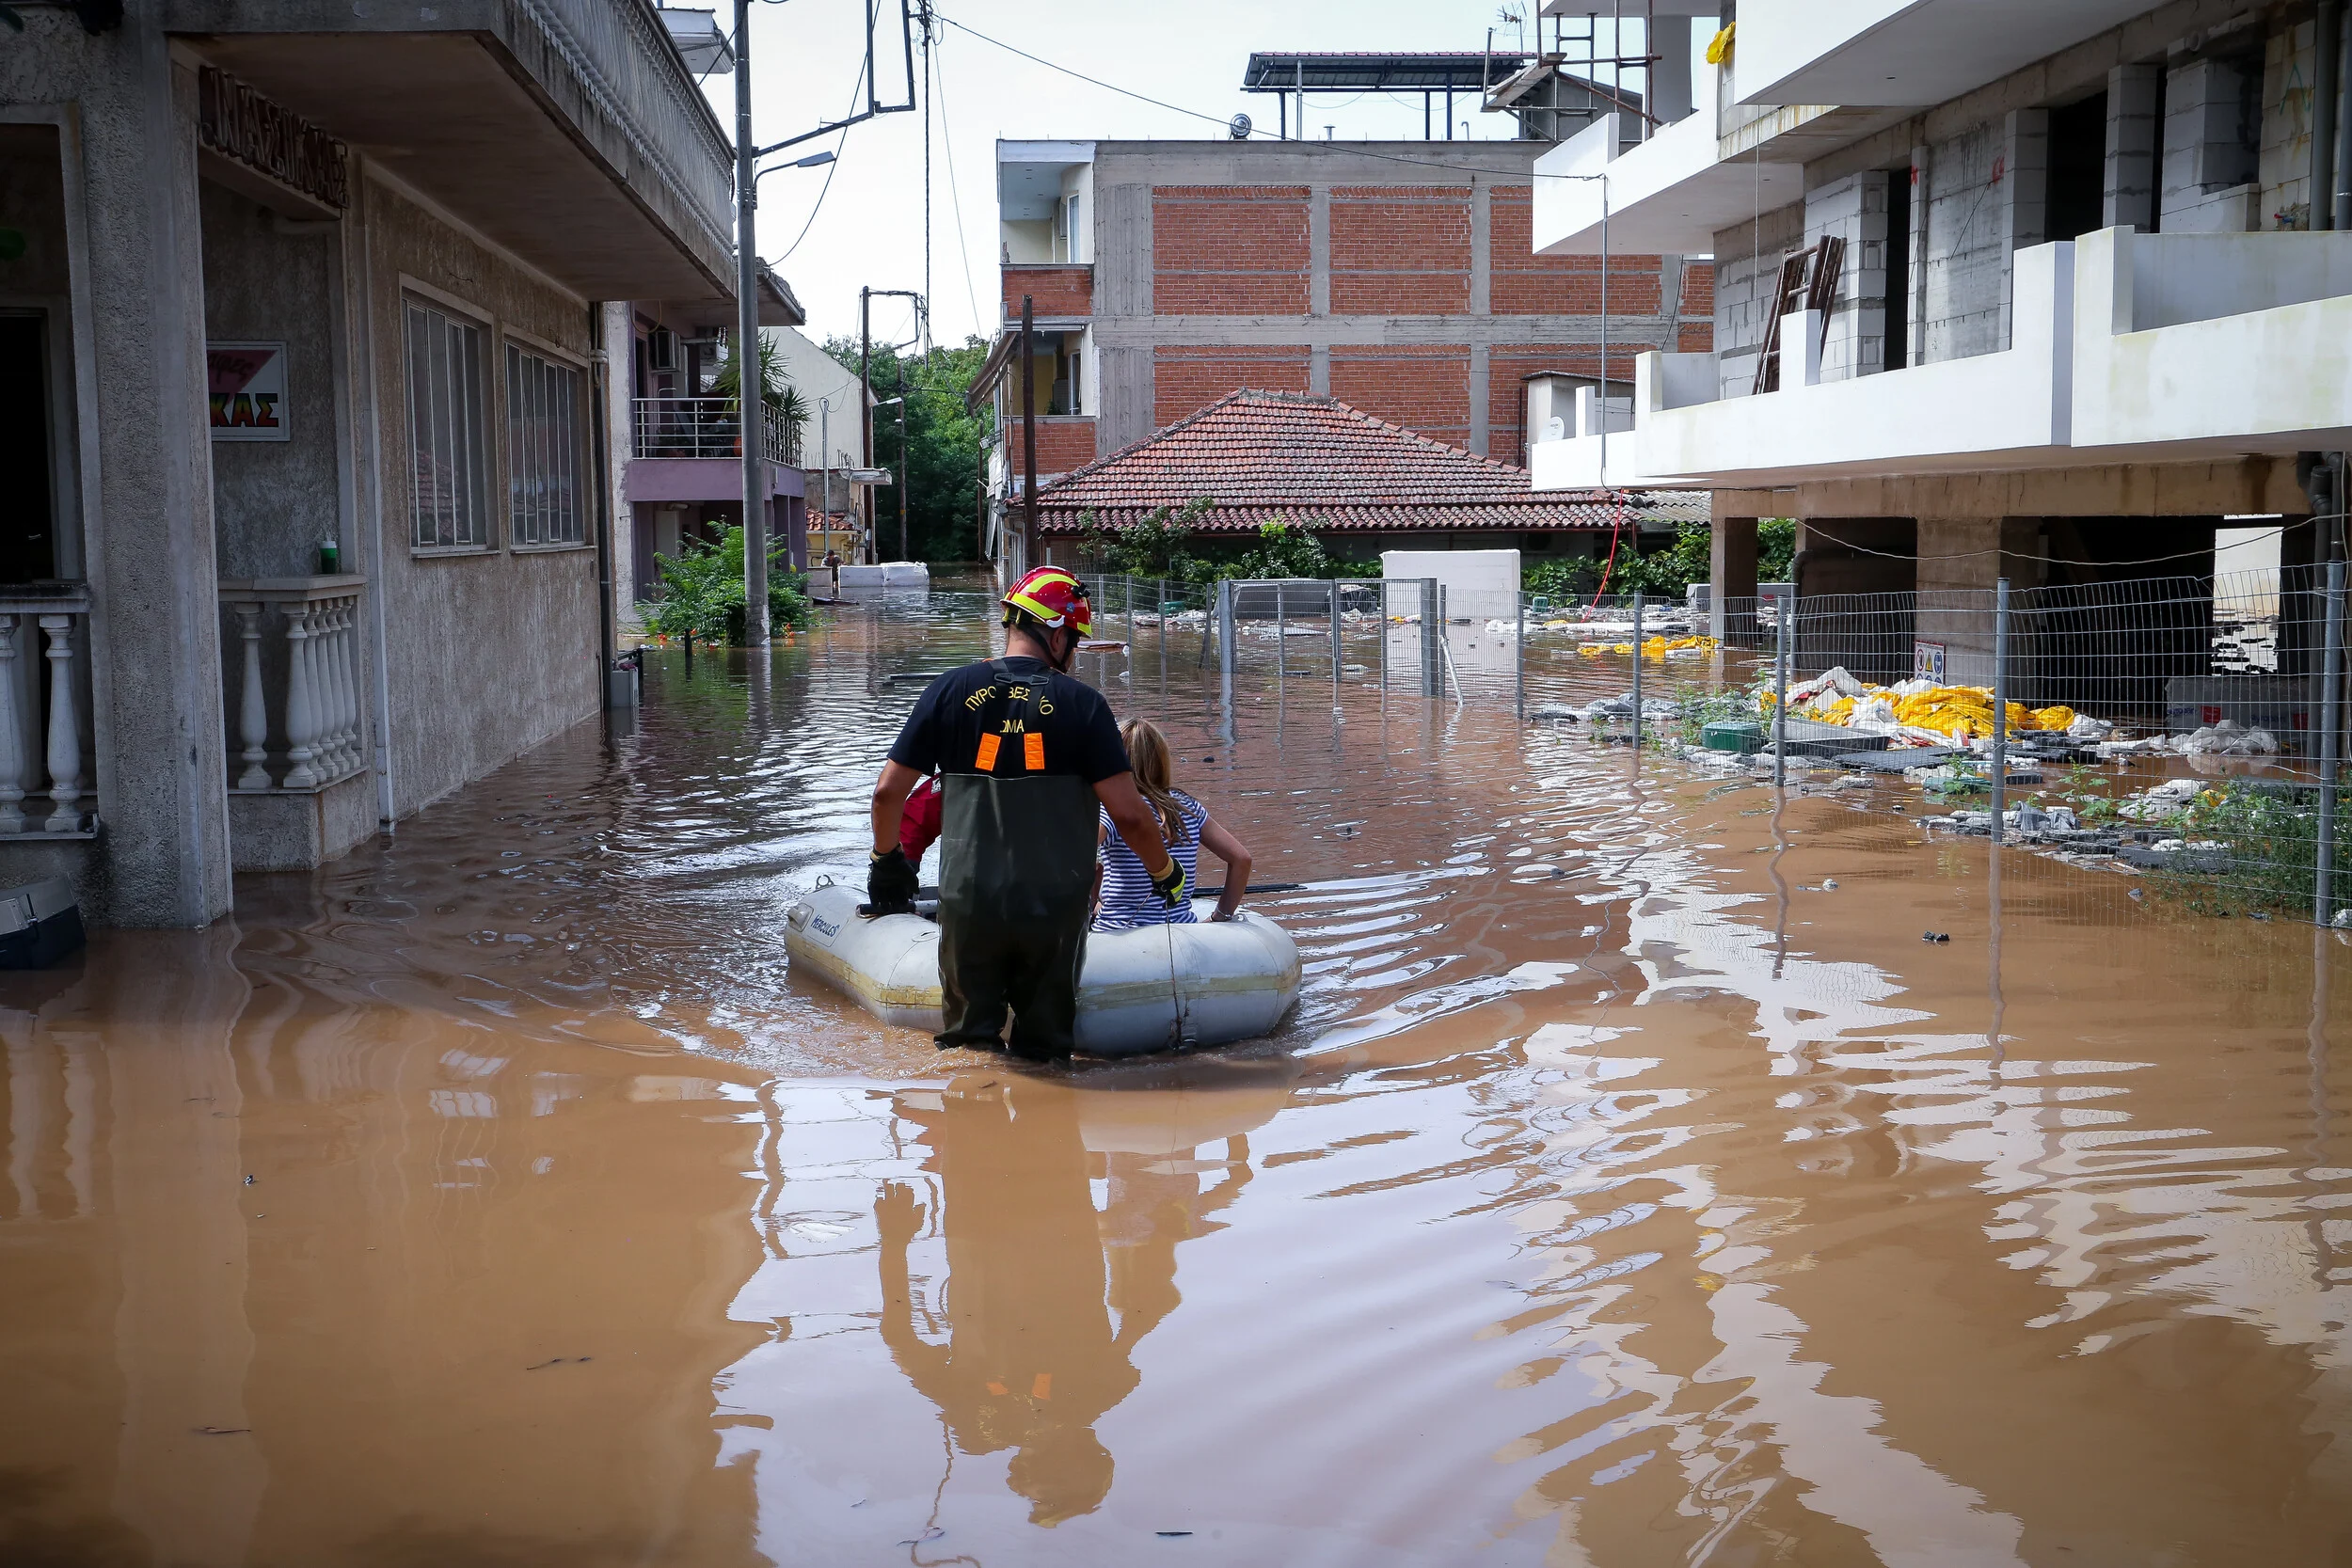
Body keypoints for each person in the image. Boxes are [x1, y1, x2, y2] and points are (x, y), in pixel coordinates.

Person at [867, 566, 1184, 1059]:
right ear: (1056, 635)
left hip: (970, 903)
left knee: (968, 1046)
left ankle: (974, 1111)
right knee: (1047, 1052)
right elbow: (1131, 816)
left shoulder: (949, 691)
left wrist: (885, 861)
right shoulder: (1084, 706)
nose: (1074, 653)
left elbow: (887, 795)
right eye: (1075, 640)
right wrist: (1166, 873)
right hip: (1053, 911)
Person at [1094, 718, 1253, 930]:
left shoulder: (1115, 809)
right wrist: (1220, 916)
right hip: (1182, 931)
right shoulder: (1189, 808)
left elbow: (1078, 853)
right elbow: (1241, 859)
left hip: (1121, 932)